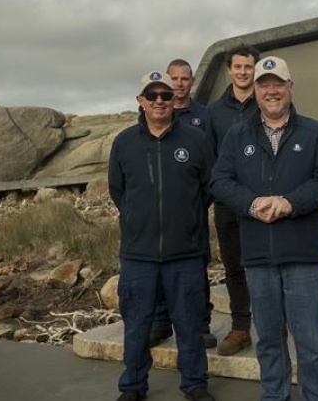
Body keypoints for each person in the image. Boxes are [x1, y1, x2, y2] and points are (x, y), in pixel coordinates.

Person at [211, 56, 318, 401]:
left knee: (312, 341)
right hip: (257, 257)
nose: (271, 91)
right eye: (264, 85)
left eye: (278, 84)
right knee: (268, 341)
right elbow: (219, 181)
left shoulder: (316, 132)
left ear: (290, 87)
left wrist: (290, 202)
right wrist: (252, 204)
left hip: (301, 255)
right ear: (254, 90)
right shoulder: (238, 136)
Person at [108, 71, 216, 401]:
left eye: (165, 95)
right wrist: (141, 221)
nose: (159, 101)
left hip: (185, 253)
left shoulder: (195, 140)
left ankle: (195, 383)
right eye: (151, 95)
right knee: (137, 325)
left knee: (189, 324)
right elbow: (118, 190)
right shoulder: (124, 142)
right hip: (138, 255)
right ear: (140, 100)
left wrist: (185, 221)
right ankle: (133, 385)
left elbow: (207, 188)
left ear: (174, 100)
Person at [149, 59, 217, 350]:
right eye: (173, 79)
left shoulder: (204, 116)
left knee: (196, 270)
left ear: (192, 82)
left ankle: (200, 325)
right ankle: (162, 322)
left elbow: (210, 170)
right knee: (159, 269)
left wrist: (196, 205)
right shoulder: (153, 112)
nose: (178, 84)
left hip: (192, 215)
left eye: (184, 79)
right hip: (158, 217)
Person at [203, 45, 260, 356]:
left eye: (248, 67)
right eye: (238, 67)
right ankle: (240, 329)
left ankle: (271, 326)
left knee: (266, 265)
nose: (242, 72)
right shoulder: (213, 112)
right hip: (227, 205)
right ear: (230, 70)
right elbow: (211, 161)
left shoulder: (265, 103)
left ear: (255, 69)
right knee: (234, 268)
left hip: (262, 203)